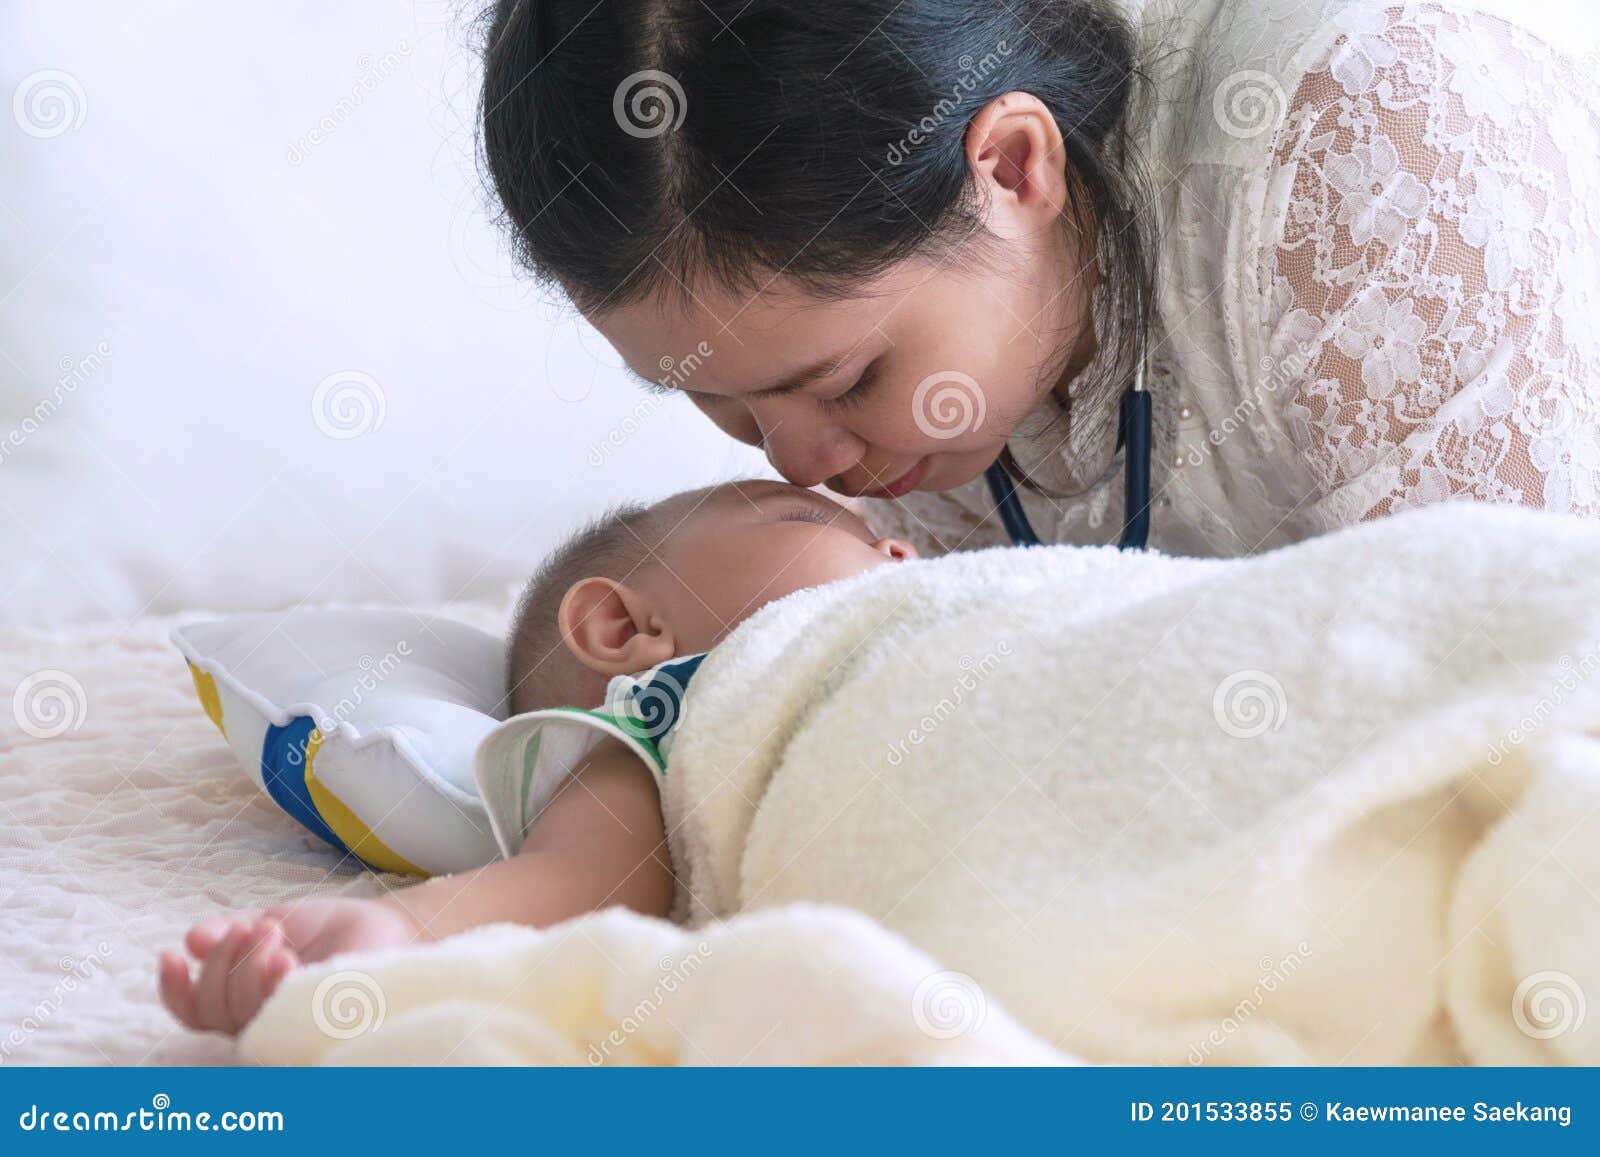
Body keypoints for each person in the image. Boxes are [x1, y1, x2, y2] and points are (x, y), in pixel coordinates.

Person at [480, 0, 1600, 556]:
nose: (803, 464)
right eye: (713, 397)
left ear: (1014, 168)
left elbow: (1508, 689)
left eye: (851, 377)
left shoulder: (1362, 142)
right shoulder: (926, 397)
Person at [157, 481, 917, 1035]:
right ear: (623, 627)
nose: (898, 546)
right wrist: (383, 935)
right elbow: (583, 878)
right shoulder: (662, 725)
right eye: (808, 515)